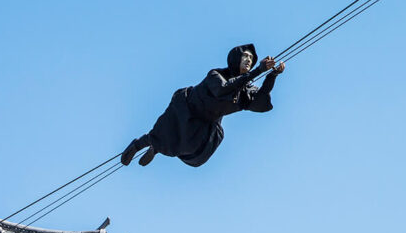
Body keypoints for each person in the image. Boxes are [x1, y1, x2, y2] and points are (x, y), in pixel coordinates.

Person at [121, 44, 285, 167]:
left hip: (205, 121)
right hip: (187, 106)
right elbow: (223, 89)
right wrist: (258, 70)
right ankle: (138, 144)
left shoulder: (244, 90)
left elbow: (260, 100)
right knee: (166, 132)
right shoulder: (217, 74)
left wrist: (272, 76)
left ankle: (156, 149)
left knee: (185, 146)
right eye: (245, 56)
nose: (249, 60)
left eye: (251, 58)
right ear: (236, 59)